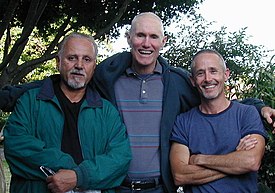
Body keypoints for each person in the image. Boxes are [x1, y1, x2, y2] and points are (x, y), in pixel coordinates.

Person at [0, 12, 274, 193]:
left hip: (159, 187)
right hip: (116, 186)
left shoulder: (177, 83)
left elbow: (213, 95)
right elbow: (62, 80)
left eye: (153, 37)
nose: (146, 43)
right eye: (140, 35)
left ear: (163, 42)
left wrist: (256, 107)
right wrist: (9, 96)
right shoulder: (106, 76)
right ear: (129, 38)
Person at [3, 32, 131, 193]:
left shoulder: (106, 111)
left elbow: (121, 157)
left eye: (86, 59)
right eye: (72, 58)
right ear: (58, 62)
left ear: (94, 67)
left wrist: (79, 176)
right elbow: (15, 145)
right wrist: (65, 166)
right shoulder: (30, 102)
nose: (79, 65)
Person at [170, 49, 267, 192]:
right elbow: (180, 175)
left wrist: (199, 159)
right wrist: (234, 160)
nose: (208, 78)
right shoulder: (183, 121)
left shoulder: (247, 113)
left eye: (213, 71)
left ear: (226, 74)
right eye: (200, 73)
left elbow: (251, 162)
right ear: (192, 80)